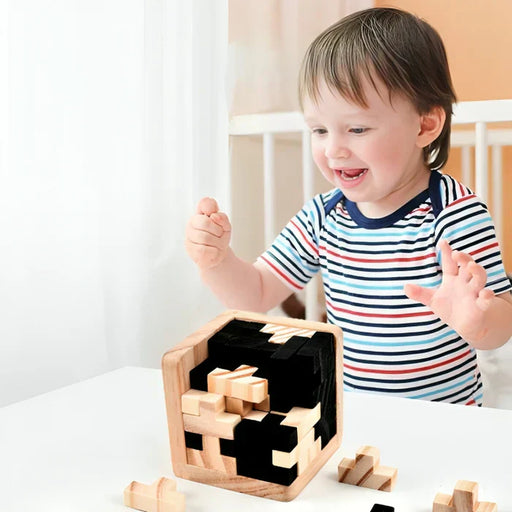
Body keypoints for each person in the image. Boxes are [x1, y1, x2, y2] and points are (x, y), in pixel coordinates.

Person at [185, 7, 512, 405]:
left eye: (357, 128)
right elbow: (255, 293)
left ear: (425, 125)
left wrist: (477, 322)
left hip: (444, 415)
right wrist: (216, 261)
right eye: (319, 130)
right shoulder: (323, 217)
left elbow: (502, 322)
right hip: (354, 413)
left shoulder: (454, 213)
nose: (333, 149)